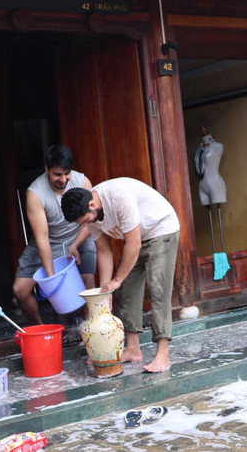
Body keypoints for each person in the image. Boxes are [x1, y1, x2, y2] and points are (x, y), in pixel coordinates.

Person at [61, 178, 180, 373]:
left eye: (84, 220)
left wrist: (116, 279)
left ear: (92, 204)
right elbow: (104, 250)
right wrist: (105, 288)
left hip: (161, 231)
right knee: (125, 291)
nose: (85, 224)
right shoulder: (90, 212)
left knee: (158, 290)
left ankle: (163, 354)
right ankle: (133, 349)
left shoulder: (118, 196)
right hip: (138, 238)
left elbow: (133, 245)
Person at [12, 144, 97, 326]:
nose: (63, 179)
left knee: (88, 282)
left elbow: (90, 221)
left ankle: (89, 328)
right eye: (57, 174)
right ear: (46, 169)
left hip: (79, 235)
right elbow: (42, 239)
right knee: (20, 290)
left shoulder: (82, 182)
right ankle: (42, 329)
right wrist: (52, 278)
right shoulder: (35, 194)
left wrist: (76, 243)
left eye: (67, 173)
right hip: (49, 241)